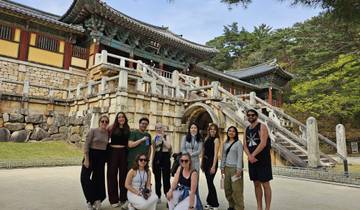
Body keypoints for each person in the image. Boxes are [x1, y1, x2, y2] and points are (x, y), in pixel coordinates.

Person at [243, 109, 272, 210]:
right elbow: (245, 145)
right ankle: (259, 207)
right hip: (252, 160)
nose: (250, 117)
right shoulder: (247, 129)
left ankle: (267, 208)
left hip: (263, 159)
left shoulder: (261, 126)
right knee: (256, 183)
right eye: (249, 115)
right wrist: (249, 156)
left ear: (257, 116)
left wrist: (252, 155)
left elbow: (263, 143)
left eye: (253, 115)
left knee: (265, 184)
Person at [81, 115, 109, 210]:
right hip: (91, 155)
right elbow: (86, 145)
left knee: (98, 180)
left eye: (106, 122)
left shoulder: (107, 133)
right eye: (102, 121)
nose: (104, 123)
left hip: (101, 157)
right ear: (99, 122)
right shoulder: (93, 131)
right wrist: (86, 159)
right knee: (84, 178)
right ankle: (90, 200)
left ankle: (97, 200)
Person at [125, 117, 152, 209]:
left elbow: (148, 147)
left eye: (146, 124)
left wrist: (148, 159)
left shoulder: (148, 135)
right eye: (142, 123)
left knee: (143, 180)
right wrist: (141, 140)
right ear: (139, 124)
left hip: (143, 162)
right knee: (131, 181)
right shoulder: (133, 133)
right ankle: (129, 200)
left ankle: (141, 197)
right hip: (133, 161)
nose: (144, 125)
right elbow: (130, 144)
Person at [107, 112, 130, 208]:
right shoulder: (112, 127)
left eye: (123, 117)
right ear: (117, 118)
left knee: (123, 175)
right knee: (112, 175)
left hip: (124, 152)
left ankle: (123, 198)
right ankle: (113, 199)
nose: (121, 118)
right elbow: (106, 137)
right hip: (113, 152)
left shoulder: (127, 128)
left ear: (125, 118)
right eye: (119, 117)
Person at [220, 126, 244, 210]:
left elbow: (240, 157)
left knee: (237, 190)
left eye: (233, 131)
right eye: (229, 131)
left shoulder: (238, 143)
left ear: (236, 133)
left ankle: (239, 207)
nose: (231, 132)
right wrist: (222, 167)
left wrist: (239, 169)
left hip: (235, 169)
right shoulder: (225, 143)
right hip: (227, 168)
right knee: (228, 189)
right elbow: (223, 156)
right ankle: (231, 205)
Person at [201, 123, 220, 210]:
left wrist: (213, 166)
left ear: (216, 131)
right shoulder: (206, 138)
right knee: (209, 183)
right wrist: (202, 163)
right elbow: (203, 152)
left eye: (214, 129)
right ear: (209, 130)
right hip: (205, 162)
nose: (212, 130)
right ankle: (209, 202)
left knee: (210, 183)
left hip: (212, 162)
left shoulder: (216, 140)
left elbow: (216, 154)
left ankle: (215, 204)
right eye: (211, 129)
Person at [152, 123, 172, 203]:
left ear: (163, 128)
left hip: (165, 157)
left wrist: (163, 138)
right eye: (157, 128)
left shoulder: (167, 136)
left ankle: (168, 196)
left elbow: (169, 147)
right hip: (157, 157)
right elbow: (154, 150)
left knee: (166, 179)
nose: (158, 129)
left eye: (160, 128)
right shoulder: (154, 138)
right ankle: (158, 196)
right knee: (157, 179)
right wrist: (152, 162)